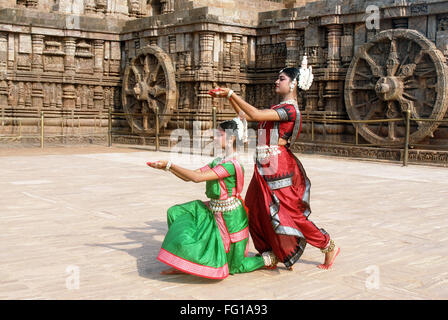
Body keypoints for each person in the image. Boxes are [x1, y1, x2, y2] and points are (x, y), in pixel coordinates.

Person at [208, 56, 340, 270]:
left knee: (290, 214)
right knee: (252, 207)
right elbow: (246, 115)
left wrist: (231, 93)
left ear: (293, 83)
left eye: (281, 79)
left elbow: (255, 114)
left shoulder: (290, 110)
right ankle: (269, 252)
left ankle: (328, 245)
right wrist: (226, 95)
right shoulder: (278, 108)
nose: (276, 82)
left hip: (278, 167)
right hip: (264, 166)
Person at [148, 119, 277, 279]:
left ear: (231, 138)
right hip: (215, 211)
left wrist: (170, 165)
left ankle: (268, 259)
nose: (214, 138)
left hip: (232, 220)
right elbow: (191, 176)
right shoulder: (218, 161)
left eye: (219, 135)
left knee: (234, 267)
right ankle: (184, 260)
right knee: (177, 213)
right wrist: (166, 167)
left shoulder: (231, 165)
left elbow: (196, 178)